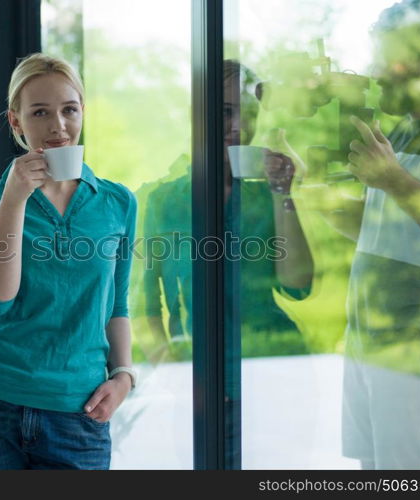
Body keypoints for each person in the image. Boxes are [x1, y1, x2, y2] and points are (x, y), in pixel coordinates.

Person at [0, 53, 138, 470]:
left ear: (83, 111)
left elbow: (115, 305)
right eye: (40, 112)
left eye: (69, 109)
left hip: (77, 413)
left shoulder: (117, 202)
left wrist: (123, 376)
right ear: (16, 122)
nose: (57, 126)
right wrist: (14, 197)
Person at [140, 60, 314, 466]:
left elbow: (298, 284)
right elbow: (146, 306)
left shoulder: (262, 197)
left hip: (273, 376)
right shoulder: (165, 201)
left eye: (247, 114)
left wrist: (281, 194)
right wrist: (180, 379)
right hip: (197, 390)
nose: (237, 127)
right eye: (223, 113)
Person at [326, 0, 420, 469]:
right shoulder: (402, 131)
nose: (375, 69)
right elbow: (384, 226)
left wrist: (393, 179)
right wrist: (305, 192)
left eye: (387, 56)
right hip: (368, 337)